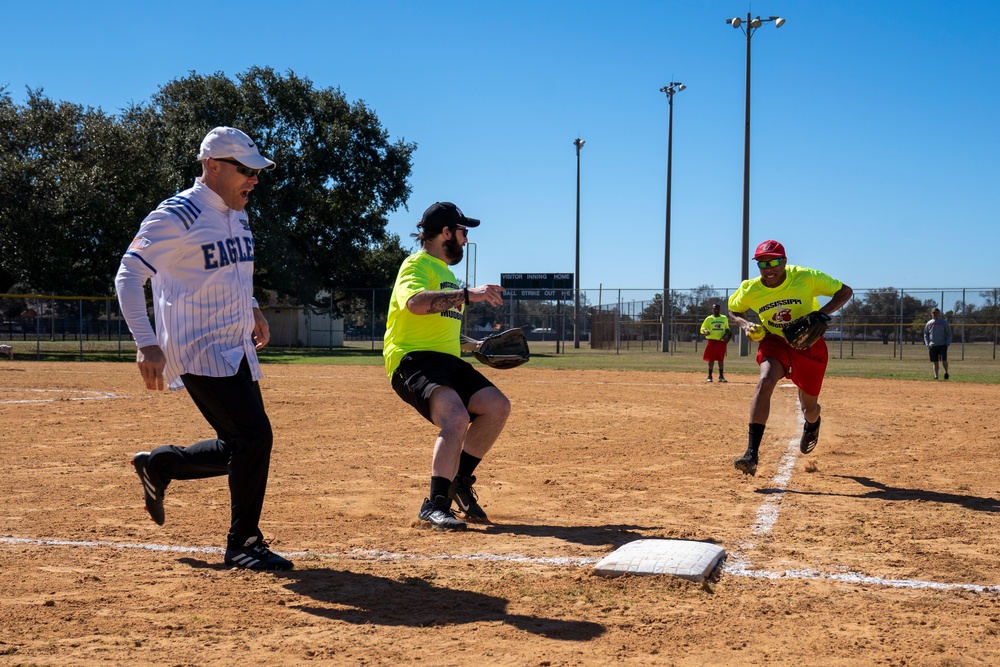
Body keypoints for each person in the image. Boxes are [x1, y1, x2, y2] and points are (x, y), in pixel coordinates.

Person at [114, 126, 292, 571]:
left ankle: (161, 465)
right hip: (198, 347)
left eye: (257, 172)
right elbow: (128, 276)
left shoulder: (238, 212)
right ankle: (243, 543)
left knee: (242, 442)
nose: (254, 180)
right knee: (254, 438)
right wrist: (146, 343)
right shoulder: (177, 215)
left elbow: (235, 271)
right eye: (246, 170)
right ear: (212, 166)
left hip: (236, 345)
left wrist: (253, 307)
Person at [383, 202, 510, 531]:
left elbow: (441, 326)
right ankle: (435, 504)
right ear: (446, 233)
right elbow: (415, 304)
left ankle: (459, 483)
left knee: (497, 406)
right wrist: (468, 294)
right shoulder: (417, 264)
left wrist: (476, 345)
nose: (465, 239)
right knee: (456, 417)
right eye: (463, 231)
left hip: (447, 360)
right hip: (412, 360)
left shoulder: (447, 275)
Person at [727, 240, 853, 476]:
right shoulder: (750, 289)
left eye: (774, 261)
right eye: (762, 263)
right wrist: (745, 324)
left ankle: (813, 424)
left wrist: (821, 314)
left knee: (810, 407)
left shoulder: (805, 277)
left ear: (784, 261)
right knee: (765, 381)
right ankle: (751, 454)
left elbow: (845, 291)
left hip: (809, 343)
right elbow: (733, 309)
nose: (768, 268)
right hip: (775, 341)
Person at [699, 303, 730, 383]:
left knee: (721, 360)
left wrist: (727, 333)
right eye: (714, 309)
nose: (716, 310)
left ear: (719, 309)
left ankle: (721, 376)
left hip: (721, 342)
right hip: (712, 341)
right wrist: (705, 331)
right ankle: (709, 376)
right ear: (712, 310)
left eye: (717, 309)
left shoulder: (724, 318)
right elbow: (703, 328)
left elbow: (727, 328)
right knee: (711, 359)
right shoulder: (709, 319)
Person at [924, 307, 952, 380]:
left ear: (939, 314)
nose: (935, 314)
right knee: (935, 361)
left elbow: (949, 333)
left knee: (944, 360)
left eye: (936, 313)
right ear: (931, 314)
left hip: (942, 344)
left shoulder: (944, 322)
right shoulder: (929, 323)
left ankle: (946, 372)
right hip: (932, 345)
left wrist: (947, 342)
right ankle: (936, 376)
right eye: (933, 313)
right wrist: (927, 343)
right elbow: (926, 334)